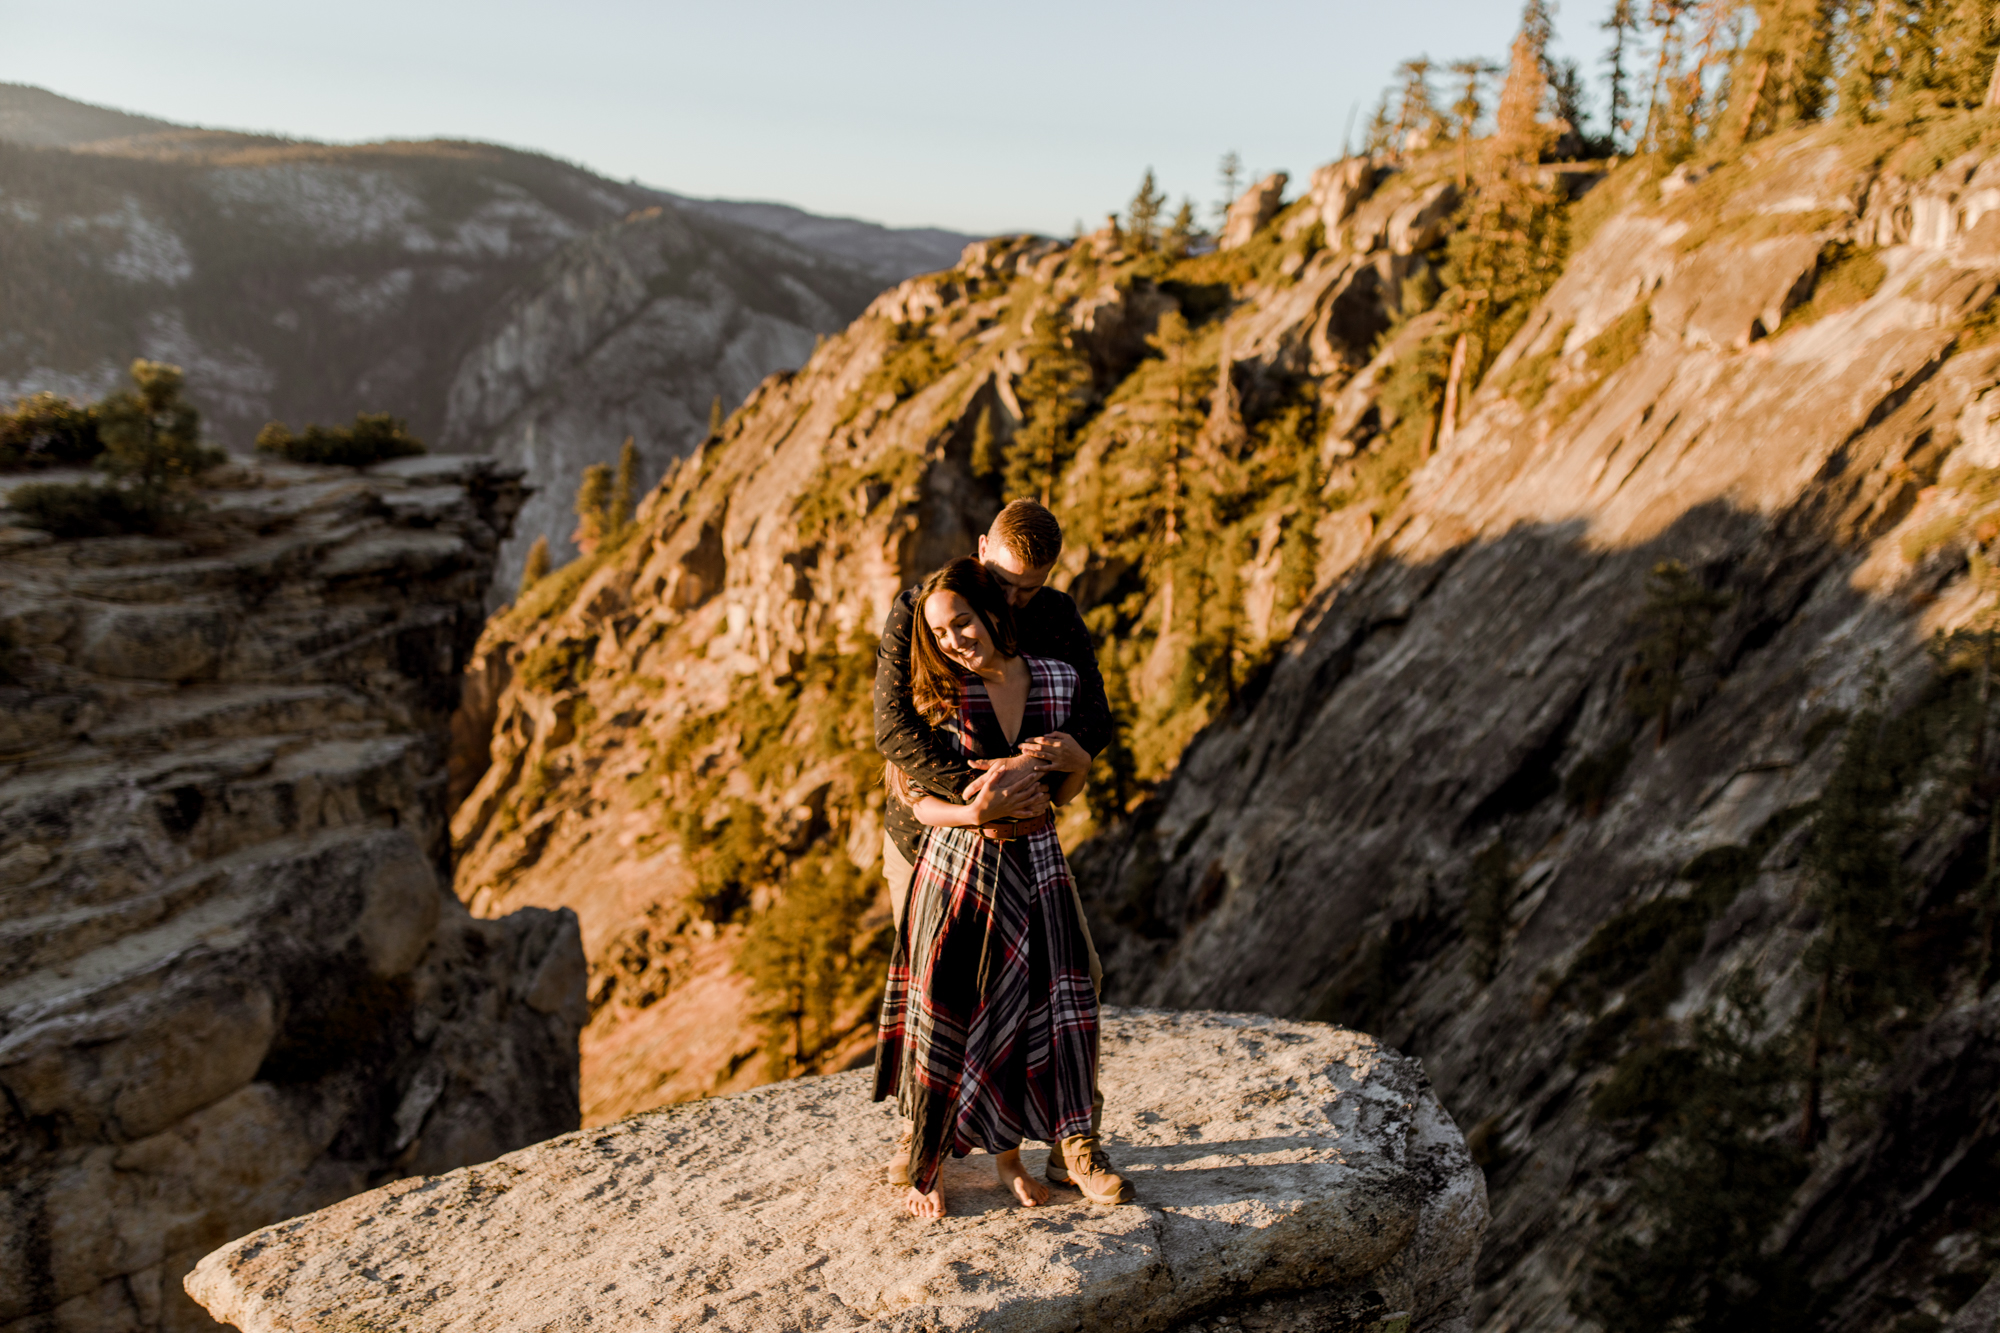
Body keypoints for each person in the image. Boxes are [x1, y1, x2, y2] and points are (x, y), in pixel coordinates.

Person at [872, 499, 1130, 1209]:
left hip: (1027, 842)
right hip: (926, 837)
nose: (1013, 598)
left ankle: (1072, 1139)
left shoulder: (1053, 616)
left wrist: (1068, 756)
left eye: (1028, 587)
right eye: (1004, 580)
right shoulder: (924, 609)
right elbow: (894, 729)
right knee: (938, 985)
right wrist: (982, 793)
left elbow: (1093, 715)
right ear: (981, 545)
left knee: (1073, 977)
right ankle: (919, 1131)